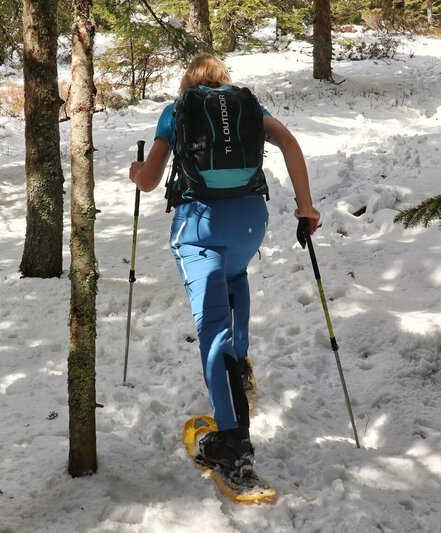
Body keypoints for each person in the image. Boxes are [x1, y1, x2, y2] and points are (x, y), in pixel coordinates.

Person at [129, 53, 320, 483]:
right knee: (235, 276)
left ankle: (232, 443)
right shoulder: (248, 106)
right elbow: (289, 144)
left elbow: (150, 180)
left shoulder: (177, 111)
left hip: (200, 227)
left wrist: (135, 172)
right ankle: (242, 367)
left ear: (188, 81)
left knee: (213, 328)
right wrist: (306, 206)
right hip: (250, 221)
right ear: (224, 79)